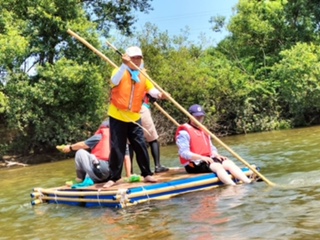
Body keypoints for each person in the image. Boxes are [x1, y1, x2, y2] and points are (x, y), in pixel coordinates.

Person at [103, 46, 167, 188]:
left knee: (140, 144)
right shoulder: (119, 70)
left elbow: (151, 90)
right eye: (133, 58)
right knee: (117, 147)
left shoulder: (143, 74)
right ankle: (114, 177)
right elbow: (114, 80)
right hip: (117, 114)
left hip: (134, 116)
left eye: (139, 58)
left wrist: (161, 95)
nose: (136, 61)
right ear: (128, 58)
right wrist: (123, 65)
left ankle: (147, 173)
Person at [175, 104, 252, 185]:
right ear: (190, 116)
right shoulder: (184, 133)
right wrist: (201, 157)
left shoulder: (204, 130)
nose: (199, 119)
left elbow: (211, 147)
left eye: (201, 116)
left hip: (208, 159)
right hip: (193, 164)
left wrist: (216, 155)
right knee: (218, 166)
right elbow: (183, 153)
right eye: (196, 117)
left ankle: (248, 182)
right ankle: (233, 185)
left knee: (228, 163)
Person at [60, 120, 132, 183]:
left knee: (80, 152)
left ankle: (80, 178)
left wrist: (70, 147)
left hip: (100, 171)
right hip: (112, 175)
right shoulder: (121, 139)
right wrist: (128, 175)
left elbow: (83, 144)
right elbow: (126, 158)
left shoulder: (100, 135)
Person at [140, 93, 169, 173]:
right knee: (153, 139)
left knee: (132, 142)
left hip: (129, 112)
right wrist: (164, 95)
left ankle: (130, 172)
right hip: (141, 109)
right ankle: (157, 166)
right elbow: (160, 95)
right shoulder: (144, 83)